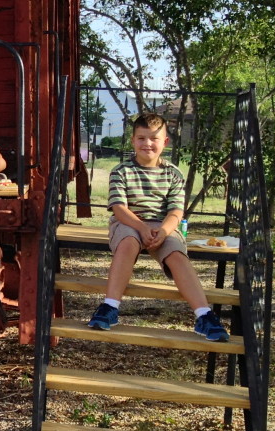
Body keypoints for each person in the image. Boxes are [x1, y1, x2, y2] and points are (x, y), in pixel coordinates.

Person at [87, 112, 228, 342]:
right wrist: (141, 228)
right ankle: (110, 306)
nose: (147, 144)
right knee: (127, 243)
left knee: (177, 254)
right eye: (141, 138)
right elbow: (120, 209)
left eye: (153, 138)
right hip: (129, 221)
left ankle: (204, 314)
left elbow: (175, 211)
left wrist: (163, 231)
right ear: (133, 141)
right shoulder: (121, 171)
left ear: (165, 142)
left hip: (163, 224)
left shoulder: (173, 174)